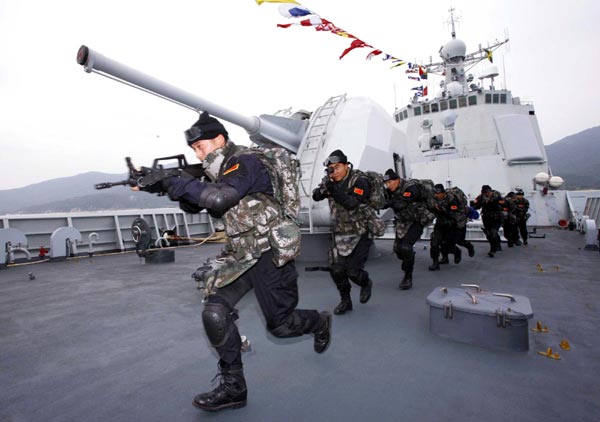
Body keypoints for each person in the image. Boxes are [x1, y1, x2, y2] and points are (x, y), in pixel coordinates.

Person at [139, 112, 332, 412]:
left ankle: (320, 321)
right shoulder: (217, 169)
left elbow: (219, 199)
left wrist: (177, 182)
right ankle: (234, 388)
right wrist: (164, 185)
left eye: (202, 146)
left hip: (269, 254)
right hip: (241, 255)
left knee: (281, 326)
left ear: (220, 139)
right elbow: (196, 204)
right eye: (194, 150)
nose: (199, 154)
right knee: (215, 313)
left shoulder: (245, 162)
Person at [311, 150, 377, 315]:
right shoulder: (331, 181)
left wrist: (332, 189)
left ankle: (365, 282)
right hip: (341, 230)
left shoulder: (359, 181)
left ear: (347, 166)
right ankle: (345, 301)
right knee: (337, 270)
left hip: (362, 230)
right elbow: (316, 196)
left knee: (353, 271)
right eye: (331, 168)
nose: (335, 171)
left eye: (338, 167)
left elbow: (351, 203)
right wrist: (324, 189)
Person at [382, 169, 434, 289]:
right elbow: (382, 202)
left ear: (397, 180)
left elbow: (402, 204)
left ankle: (407, 277)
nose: (388, 186)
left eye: (390, 182)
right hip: (403, 221)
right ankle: (408, 257)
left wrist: (388, 203)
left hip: (417, 220)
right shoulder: (390, 190)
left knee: (406, 247)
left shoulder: (411, 188)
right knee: (398, 250)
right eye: (386, 183)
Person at [428, 184, 469, 271]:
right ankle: (435, 263)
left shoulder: (452, 200)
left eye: (438, 194)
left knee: (447, 244)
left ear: (443, 193)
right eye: (435, 194)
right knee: (434, 242)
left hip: (451, 224)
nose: (436, 195)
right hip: (440, 223)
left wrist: (441, 209)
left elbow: (454, 215)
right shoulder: (434, 198)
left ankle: (456, 251)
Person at [471, 185, 505, 257]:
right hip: (487, 218)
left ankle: (493, 250)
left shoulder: (496, 195)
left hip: (496, 218)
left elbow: (503, 204)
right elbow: (475, 205)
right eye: (485, 193)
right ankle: (497, 243)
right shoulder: (481, 197)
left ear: (490, 191)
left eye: (488, 192)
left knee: (493, 232)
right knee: (489, 234)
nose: (487, 194)